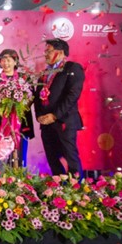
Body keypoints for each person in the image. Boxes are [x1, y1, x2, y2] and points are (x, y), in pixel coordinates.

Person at [35, 39, 85, 176]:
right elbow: (37, 96)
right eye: (45, 51)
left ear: (61, 52)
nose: (45, 54)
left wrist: (55, 115)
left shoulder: (72, 68)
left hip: (64, 120)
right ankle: (58, 185)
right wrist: (39, 116)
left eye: (49, 51)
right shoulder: (45, 73)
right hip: (46, 123)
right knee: (52, 157)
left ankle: (76, 186)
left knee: (70, 155)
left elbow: (72, 95)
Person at [0, 49, 35, 172]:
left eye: (8, 60)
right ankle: (1, 181)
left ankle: (19, 180)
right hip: (0, 123)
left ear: (15, 61)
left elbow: (31, 97)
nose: (5, 63)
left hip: (20, 122)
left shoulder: (24, 78)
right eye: (3, 60)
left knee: (20, 156)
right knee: (1, 155)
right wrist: (3, 113)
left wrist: (19, 110)